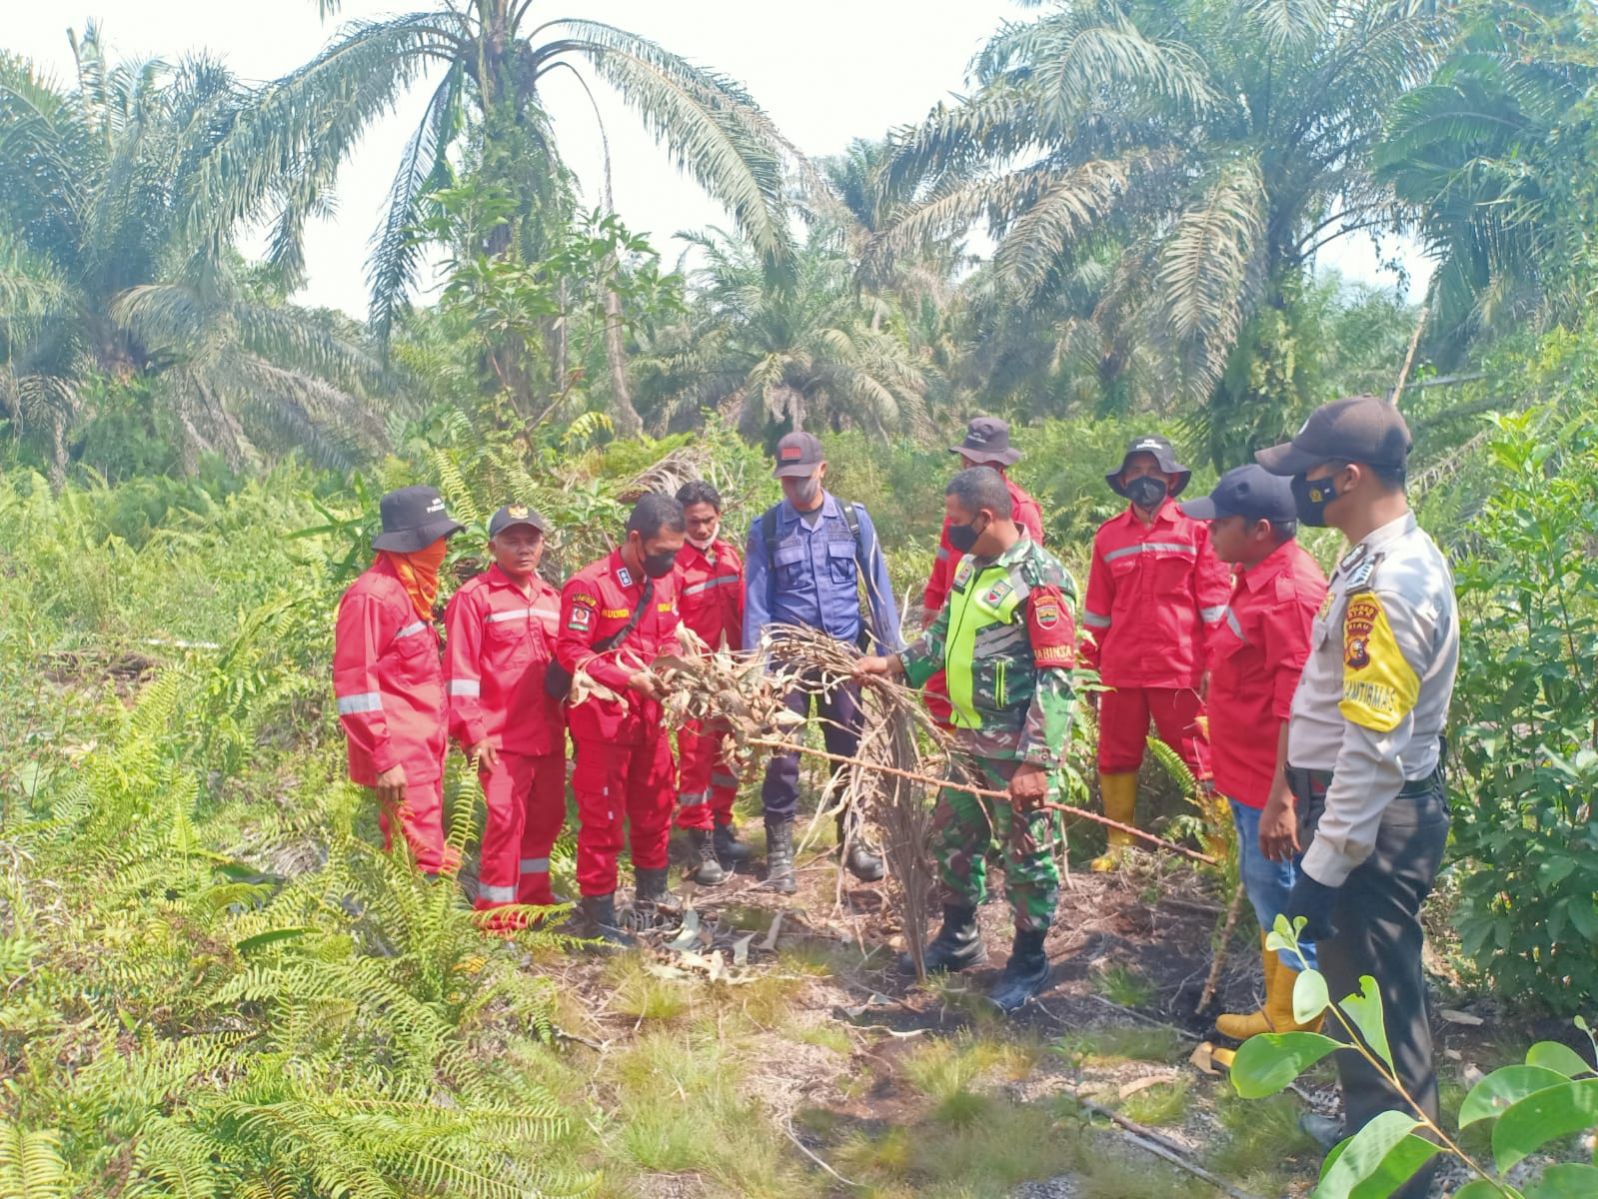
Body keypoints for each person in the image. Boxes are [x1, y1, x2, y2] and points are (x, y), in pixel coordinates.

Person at [1258, 396, 1458, 1197]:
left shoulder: (1391, 581)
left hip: (1370, 820)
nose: (1296, 487)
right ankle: (1367, 1129)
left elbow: (1373, 753)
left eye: (1306, 472)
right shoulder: (1367, 556)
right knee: (1352, 993)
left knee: (1378, 990)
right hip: (1348, 809)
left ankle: (1407, 1175)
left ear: (1347, 476)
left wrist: (1324, 870)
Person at [858, 467, 1078, 1013]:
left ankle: (1029, 959)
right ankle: (960, 938)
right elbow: (940, 637)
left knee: (1026, 856)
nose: (948, 530)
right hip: (967, 740)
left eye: (955, 520)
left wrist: (1036, 762)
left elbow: (1056, 679)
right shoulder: (968, 568)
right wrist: (891, 664)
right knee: (953, 840)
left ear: (985, 517)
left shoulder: (1040, 578)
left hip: (1014, 750)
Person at [1178, 466, 1328, 1043]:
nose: (1209, 532)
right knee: (1271, 899)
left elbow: (1298, 708)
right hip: (1247, 778)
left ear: (1261, 528)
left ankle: (1297, 1028)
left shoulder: (1290, 594)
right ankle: (1280, 1011)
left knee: (1287, 902)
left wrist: (1282, 799)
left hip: (1273, 787)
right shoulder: (1256, 573)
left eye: (1221, 523)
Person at [744, 431, 902, 893]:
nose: (793, 488)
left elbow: (878, 590)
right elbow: (757, 604)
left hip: (844, 658)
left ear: (822, 470)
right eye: (786, 480)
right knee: (784, 756)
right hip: (789, 662)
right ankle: (779, 855)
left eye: (801, 478)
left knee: (847, 750)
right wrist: (759, 673)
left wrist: (890, 658)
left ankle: (853, 840)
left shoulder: (853, 521)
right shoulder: (767, 527)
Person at [1080, 434, 1231, 869]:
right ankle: (1118, 846)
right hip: (1121, 669)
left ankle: (1218, 850)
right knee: (1115, 753)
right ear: (1124, 480)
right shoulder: (1108, 537)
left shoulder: (1198, 529)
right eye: (1136, 472)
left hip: (1180, 668)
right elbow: (1097, 614)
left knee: (1199, 756)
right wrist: (1088, 672)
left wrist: (1215, 665)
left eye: (1153, 472)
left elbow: (1216, 604)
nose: (1144, 480)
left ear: (1171, 478)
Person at [556, 493, 686, 944]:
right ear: (635, 540)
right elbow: (571, 651)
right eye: (662, 552)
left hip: (651, 721)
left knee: (656, 809)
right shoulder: (590, 585)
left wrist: (681, 668)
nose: (670, 562)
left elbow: (669, 636)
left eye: (676, 553)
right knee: (603, 819)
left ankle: (653, 903)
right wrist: (629, 679)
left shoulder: (666, 582)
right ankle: (600, 918)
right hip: (603, 724)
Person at [333, 485, 464, 874]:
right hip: (401, 756)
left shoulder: (412, 593)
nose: (443, 548)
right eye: (439, 538)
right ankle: (423, 935)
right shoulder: (373, 596)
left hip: (425, 750)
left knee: (427, 852)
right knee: (420, 860)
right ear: (415, 541)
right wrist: (384, 759)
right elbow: (355, 688)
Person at [445, 504, 566, 926]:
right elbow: (460, 674)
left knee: (546, 822)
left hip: (548, 739)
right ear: (492, 546)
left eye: (530, 540)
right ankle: (497, 920)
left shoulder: (554, 600)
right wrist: (473, 734)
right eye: (512, 541)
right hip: (499, 742)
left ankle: (534, 903)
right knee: (504, 826)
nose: (523, 549)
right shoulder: (473, 599)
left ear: (543, 543)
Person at [920, 416, 1047, 726]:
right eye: (966, 459)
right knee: (940, 697)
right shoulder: (960, 503)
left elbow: (1030, 577)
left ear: (997, 464)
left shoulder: (1020, 509)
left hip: (994, 635)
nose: (968, 465)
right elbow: (944, 559)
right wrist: (933, 604)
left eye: (976, 461)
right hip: (952, 621)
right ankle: (951, 764)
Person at [672, 479, 750, 885]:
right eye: (693, 522)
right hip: (695, 681)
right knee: (696, 760)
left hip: (732, 675)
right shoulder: (675, 565)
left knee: (729, 757)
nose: (702, 529)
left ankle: (722, 826)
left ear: (719, 517)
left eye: (708, 520)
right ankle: (699, 841)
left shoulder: (729, 556)